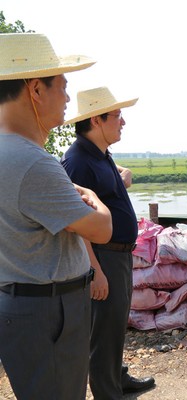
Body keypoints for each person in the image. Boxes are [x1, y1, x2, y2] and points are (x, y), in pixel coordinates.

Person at [0, 33, 113, 399]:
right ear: (35, 89)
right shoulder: (32, 162)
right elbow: (101, 229)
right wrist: (95, 199)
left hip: (25, 302)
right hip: (49, 310)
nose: (67, 98)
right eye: (62, 86)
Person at [61, 87, 156, 398]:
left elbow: (107, 189)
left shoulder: (100, 155)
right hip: (102, 257)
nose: (123, 122)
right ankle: (107, 392)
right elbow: (77, 224)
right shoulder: (77, 161)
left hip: (118, 255)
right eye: (116, 116)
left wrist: (122, 177)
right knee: (102, 332)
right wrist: (95, 271)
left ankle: (118, 378)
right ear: (95, 120)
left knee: (115, 325)